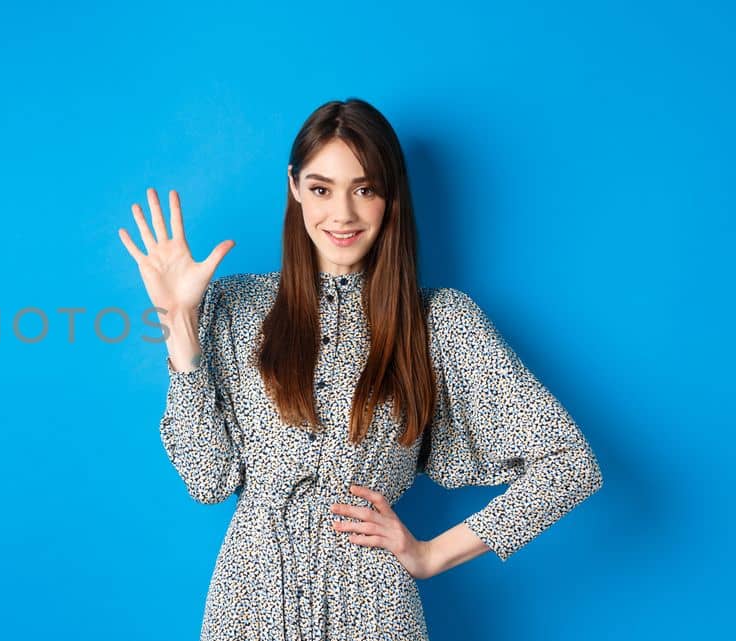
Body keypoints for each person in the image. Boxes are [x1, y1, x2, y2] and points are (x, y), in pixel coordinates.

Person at [117, 98, 603, 640]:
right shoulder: (234, 305)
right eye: (322, 188)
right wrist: (178, 322)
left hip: (372, 606)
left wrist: (430, 554)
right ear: (295, 187)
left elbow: (570, 465)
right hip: (249, 600)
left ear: (391, 195)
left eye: (364, 189)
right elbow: (208, 481)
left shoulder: (440, 321)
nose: (342, 214)